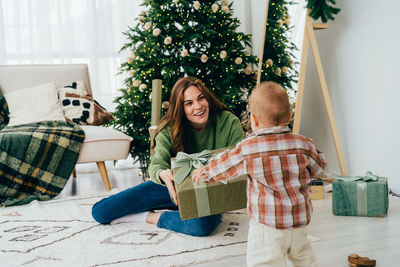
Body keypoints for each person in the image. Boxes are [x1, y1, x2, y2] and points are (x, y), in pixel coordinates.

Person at [192, 81, 326, 266]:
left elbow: (226, 164)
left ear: (253, 120)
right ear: (289, 115)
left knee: (264, 262)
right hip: (299, 223)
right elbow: (320, 167)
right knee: (304, 259)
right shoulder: (303, 144)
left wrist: (205, 171)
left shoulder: (249, 148)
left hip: (267, 225)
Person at [91, 76, 244, 236]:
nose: (198, 106)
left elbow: (240, 160)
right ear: (180, 107)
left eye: (201, 98)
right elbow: (157, 163)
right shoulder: (170, 128)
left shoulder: (229, 121)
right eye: (189, 103)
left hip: (210, 190)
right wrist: (162, 173)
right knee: (101, 213)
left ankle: (149, 217)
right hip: (173, 188)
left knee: (201, 226)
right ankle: (171, 209)